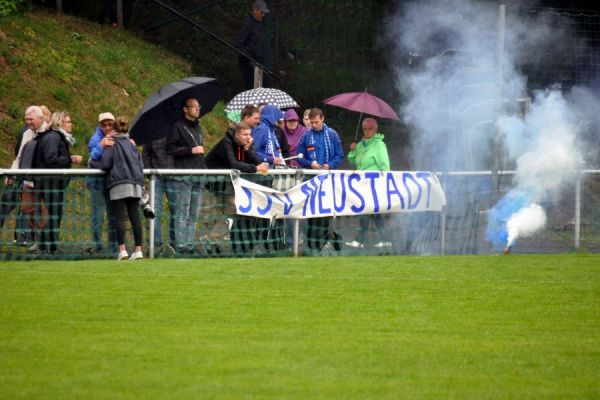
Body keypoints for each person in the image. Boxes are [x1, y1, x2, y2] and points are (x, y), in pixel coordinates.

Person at [206, 122, 269, 254]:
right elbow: (233, 163)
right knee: (214, 216)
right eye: (245, 134)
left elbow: (256, 162)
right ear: (236, 134)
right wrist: (255, 168)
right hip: (210, 185)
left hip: (227, 186)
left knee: (234, 212)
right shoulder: (226, 143)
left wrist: (248, 149)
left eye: (250, 134)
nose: (248, 137)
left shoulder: (242, 145)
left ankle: (211, 241)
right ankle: (210, 243)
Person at [91, 117, 145, 260]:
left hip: (119, 183)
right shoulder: (132, 143)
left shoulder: (111, 143)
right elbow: (140, 163)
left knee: (119, 218)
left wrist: (92, 162)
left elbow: (105, 164)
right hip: (135, 184)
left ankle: (122, 250)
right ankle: (138, 250)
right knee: (135, 218)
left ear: (114, 128)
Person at [32, 111, 83, 253]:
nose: (71, 124)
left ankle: (46, 245)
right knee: (55, 214)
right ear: (60, 123)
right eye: (68, 121)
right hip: (50, 182)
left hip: (53, 182)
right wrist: (70, 159)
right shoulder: (53, 138)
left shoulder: (56, 137)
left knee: (55, 214)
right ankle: (50, 246)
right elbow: (51, 159)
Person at [297, 107, 344, 251]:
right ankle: (312, 245)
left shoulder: (332, 135)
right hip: (311, 180)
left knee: (325, 214)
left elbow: (339, 155)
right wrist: (310, 163)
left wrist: (329, 165)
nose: (314, 125)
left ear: (322, 119)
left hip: (328, 180)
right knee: (311, 214)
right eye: (311, 122)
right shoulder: (305, 136)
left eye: (316, 122)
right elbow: (299, 156)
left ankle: (327, 241)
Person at [165, 98, 207, 255]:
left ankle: (190, 245)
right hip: (183, 175)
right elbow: (169, 149)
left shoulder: (198, 127)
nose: (198, 109)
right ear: (185, 109)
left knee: (194, 213)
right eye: (194, 107)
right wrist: (190, 150)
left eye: (198, 106)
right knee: (182, 212)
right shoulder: (176, 126)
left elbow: (200, 150)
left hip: (199, 174)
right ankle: (181, 245)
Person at [345, 118, 392, 249]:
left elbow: (385, 166)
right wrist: (352, 151)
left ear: (375, 130)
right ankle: (385, 239)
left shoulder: (379, 145)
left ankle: (359, 241)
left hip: (374, 184)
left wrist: (384, 183)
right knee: (373, 213)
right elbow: (353, 162)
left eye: (369, 128)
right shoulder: (360, 144)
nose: (366, 131)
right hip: (362, 184)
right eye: (364, 128)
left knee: (367, 212)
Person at [10, 106, 50, 250]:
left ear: (40, 118)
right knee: (26, 208)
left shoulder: (50, 133)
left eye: (30, 119)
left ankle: (42, 241)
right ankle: (36, 238)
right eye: (26, 119)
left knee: (44, 211)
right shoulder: (27, 134)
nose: (28, 122)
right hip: (28, 180)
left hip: (44, 182)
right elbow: (19, 157)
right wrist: (12, 173)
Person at [87, 112, 118, 254]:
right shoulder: (95, 139)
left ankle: (113, 246)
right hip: (97, 183)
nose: (107, 127)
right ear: (100, 125)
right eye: (104, 125)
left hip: (112, 182)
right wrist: (101, 145)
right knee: (97, 216)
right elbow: (93, 157)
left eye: (110, 124)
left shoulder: (119, 137)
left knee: (113, 215)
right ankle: (97, 245)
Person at [142, 137, 176, 256]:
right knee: (154, 211)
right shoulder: (151, 131)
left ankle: (174, 245)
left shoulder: (177, 127)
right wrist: (149, 173)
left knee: (176, 211)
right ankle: (155, 245)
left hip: (175, 175)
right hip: (156, 177)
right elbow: (145, 153)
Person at [236, 0, 270, 89]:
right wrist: (248, 57)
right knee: (252, 89)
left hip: (258, 61)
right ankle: (253, 103)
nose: (263, 15)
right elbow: (239, 43)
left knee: (265, 85)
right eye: (261, 12)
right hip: (248, 62)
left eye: (264, 12)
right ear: (255, 10)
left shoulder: (260, 22)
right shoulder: (248, 23)